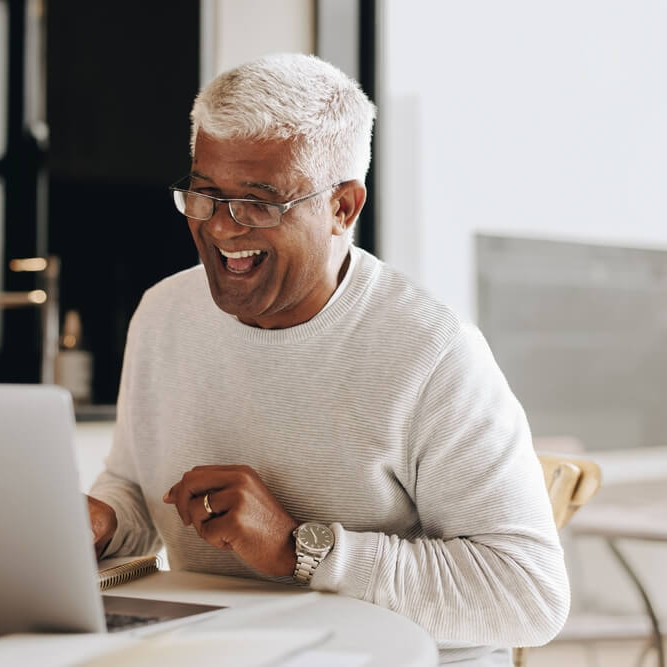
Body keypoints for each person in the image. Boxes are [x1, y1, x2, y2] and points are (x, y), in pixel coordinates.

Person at [87, 53, 569, 665]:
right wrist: (102, 521)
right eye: (206, 195)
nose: (223, 229)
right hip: (220, 649)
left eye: (259, 202)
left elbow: (527, 596)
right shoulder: (162, 314)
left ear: (343, 207)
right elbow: (137, 491)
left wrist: (300, 549)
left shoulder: (431, 351)